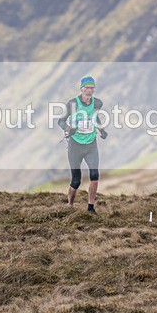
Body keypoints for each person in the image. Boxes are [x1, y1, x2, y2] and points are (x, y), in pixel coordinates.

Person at [56, 75, 107, 214]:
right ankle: (70, 206)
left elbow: (95, 117)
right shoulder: (73, 104)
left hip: (91, 145)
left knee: (95, 175)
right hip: (75, 145)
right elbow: (60, 121)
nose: (89, 90)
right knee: (76, 181)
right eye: (87, 88)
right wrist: (68, 129)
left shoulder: (97, 103)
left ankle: (90, 208)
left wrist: (102, 130)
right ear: (81, 89)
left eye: (92, 88)